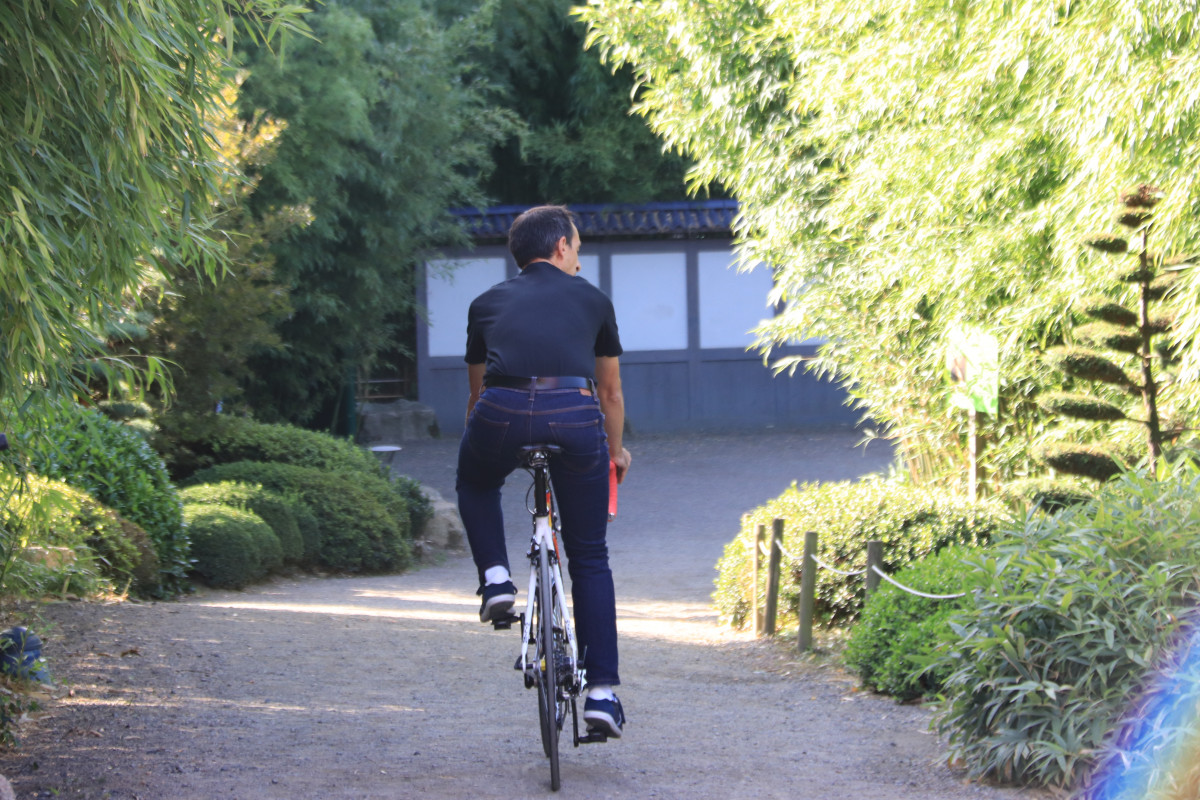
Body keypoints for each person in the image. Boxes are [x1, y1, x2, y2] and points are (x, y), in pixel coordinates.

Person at [456, 204, 632, 739]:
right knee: (590, 557)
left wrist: (482, 441)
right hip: (575, 417)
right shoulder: (594, 300)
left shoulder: (485, 303)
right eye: (576, 247)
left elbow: (476, 392)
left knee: (475, 481)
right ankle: (601, 694)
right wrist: (616, 452)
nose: (579, 258)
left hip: (501, 411)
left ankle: (495, 580)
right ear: (560, 247)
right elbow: (610, 393)